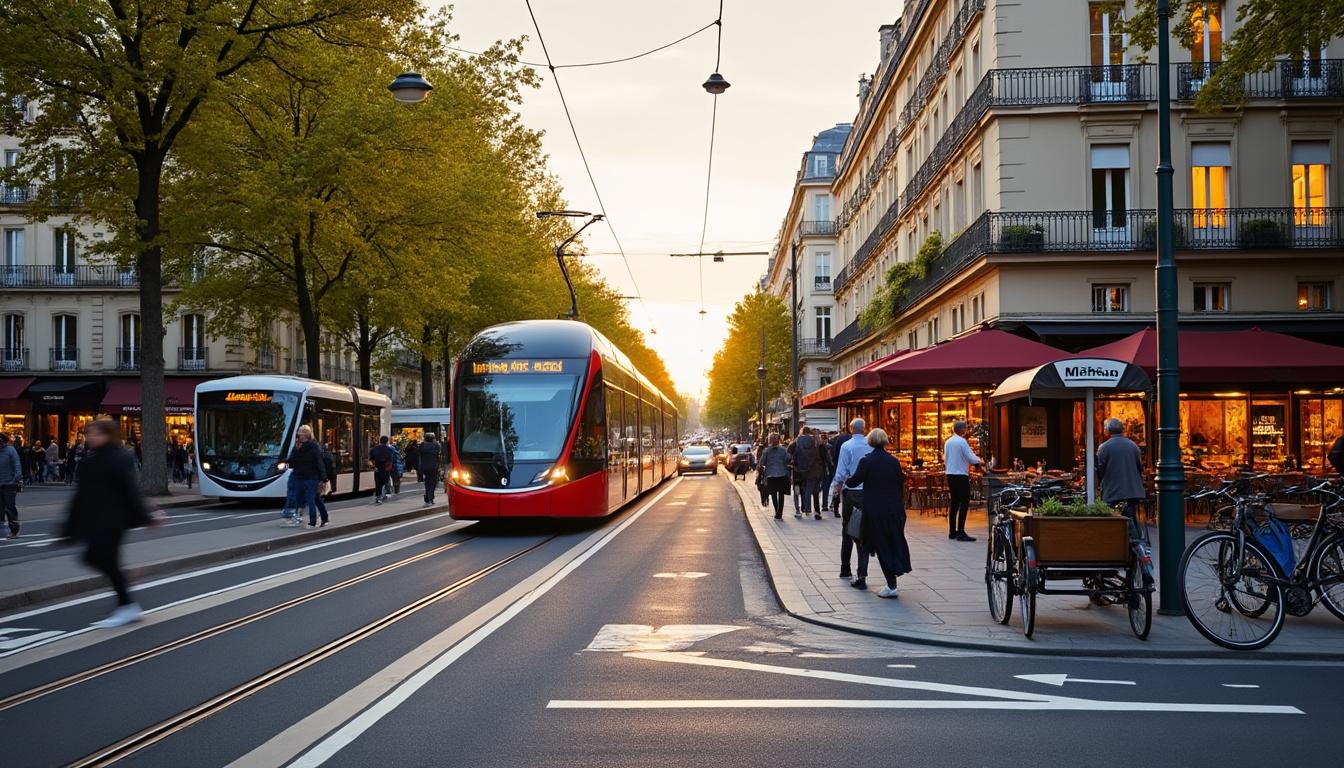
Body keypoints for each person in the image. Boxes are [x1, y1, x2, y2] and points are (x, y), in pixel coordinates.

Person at [62, 419, 156, 628]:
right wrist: (68, 526)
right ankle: (125, 590)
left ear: (107, 435)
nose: (90, 437)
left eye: (95, 433)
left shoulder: (119, 458)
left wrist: (146, 517)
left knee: (105, 560)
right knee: (92, 558)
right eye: (89, 433)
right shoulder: (89, 460)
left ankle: (127, 606)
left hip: (114, 520)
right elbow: (80, 496)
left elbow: (130, 490)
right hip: (95, 520)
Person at [845, 428, 912, 598]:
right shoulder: (893, 461)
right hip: (895, 509)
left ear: (871, 441)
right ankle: (895, 572)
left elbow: (854, 481)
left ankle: (891, 584)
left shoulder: (867, 461)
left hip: (876, 510)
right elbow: (900, 483)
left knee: (881, 545)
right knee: (894, 540)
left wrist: (845, 479)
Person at [830, 418, 874, 587]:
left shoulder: (846, 446)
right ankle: (862, 573)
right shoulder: (870, 445)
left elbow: (841, 471)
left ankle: (845, 568)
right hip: (868, 492)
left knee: (847, 529)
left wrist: (836, 488)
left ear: (850, 429)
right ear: (864, 429)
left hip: (850, 492)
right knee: (863, 531)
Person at [1096, 418, 1146, 517]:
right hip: (1132, 492)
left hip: (1113, 492)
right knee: (1130, 519)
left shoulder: (1104, 447)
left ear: (1108, 430)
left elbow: (1100, 469)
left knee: (1114, 522)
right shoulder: (1133, 446)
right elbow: (1140, 467)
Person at [943, 420, 982, 542]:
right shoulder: (962, 441)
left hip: (950, 474)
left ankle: (952, 531)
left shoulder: (948, 442)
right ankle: (961, 531)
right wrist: (978, 462)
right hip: (960, 475)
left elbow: (946, 458)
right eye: (964, 428)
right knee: (964, 502)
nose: (965, 431)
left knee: (954, 503)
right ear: (961, 430)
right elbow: (969, 456)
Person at [286, 425, 326, 527]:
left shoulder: (313, 446)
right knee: (313, 498)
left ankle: (313, 521)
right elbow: (292, 463)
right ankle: (324, 517)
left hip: (311, 477)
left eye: (299, 432)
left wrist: (323, 478)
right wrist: (295, 451)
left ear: (305, 434)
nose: (297, 434)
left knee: (311, 499)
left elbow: (319, 461)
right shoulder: (298, 446)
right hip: (300, 477)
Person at [789, 427, 822, 520]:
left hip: (797, 470)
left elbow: (788, 454)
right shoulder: (813, 442)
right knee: (810, 489)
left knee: (798, 490)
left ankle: (799, 510)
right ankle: (809, 509)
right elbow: (817, 456)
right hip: (812, 469)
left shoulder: (796, 442)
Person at [759, 433, 791, 520]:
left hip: (770, 475)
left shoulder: (766, 451)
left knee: (773, 494)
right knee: (781, 494)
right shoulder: (783, 450)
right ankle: (779, 513)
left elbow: (762, 462)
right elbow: (787, 460)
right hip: (782, 474)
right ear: (778, 440)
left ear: (769, 441)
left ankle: (776, 511)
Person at [0, 432, 22, 539]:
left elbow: (17, 465)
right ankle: (1, 529)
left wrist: (15, 479)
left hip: (9, 484)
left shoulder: (11, 451)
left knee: (10, 508)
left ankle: (14, 530)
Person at [370, 436, 395, 504]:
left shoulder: (374, 449)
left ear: (380, 441)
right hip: (386, 468)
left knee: (378, 483)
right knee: (385, 481)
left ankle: (378, 496)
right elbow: (391, 459)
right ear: (387, 441)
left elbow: (372, 459)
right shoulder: (390, 449)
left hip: (377, 468)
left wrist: (375, 465)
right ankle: (384, 495)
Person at [419, 433, 442, 506]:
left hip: (425, 466)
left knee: (427, 482)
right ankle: (430, 499)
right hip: (434, 466)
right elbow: (439, 455)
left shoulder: (423, 445)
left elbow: (419, 454)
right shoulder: (436, 445)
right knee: (433, 483)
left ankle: (428, 498)